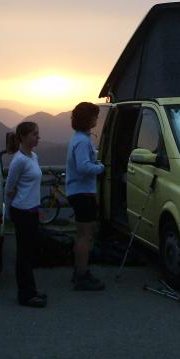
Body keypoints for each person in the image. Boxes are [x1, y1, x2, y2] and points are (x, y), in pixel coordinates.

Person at [4, 121, 46, 308]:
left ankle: (31, 290)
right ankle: (25, 295)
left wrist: (37, 208)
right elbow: (9, 187)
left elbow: (31, 187)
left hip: (32, 211)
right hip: (21, 212)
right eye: (34, 134)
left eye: (37, 133)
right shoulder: (19, 160)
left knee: (29, 253)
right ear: (22, 137)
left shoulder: (33, 157)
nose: (38, 137)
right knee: (24, 254)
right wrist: (8, 213)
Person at [66, 101, 106, 291]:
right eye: (95, 116)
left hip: (77, 192)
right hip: (83, 193)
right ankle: (82, 275)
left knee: (81, 234)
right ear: (87, 118)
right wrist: (100, 168)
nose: (97, 119)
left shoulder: (78, 138)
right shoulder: (82, 141)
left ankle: (79, 270)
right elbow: (83, 167)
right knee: (85, 236)